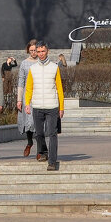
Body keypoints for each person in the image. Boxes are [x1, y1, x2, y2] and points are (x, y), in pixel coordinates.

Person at [24, 41, 65, 171]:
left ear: (47, 51)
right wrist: (27, 103)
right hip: (37, 106)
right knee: (39, 133)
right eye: (38, 51)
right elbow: (29, 87)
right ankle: (43, 152)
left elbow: (59, 88)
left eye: (43, 51)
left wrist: (61, 107)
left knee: (52, 133)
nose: (41, 54)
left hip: (52, 105)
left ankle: (52, 161)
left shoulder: (54, 67)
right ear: (36, 52)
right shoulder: (33, 68)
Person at [16, 39, 38, 157]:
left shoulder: (41, 61)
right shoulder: (24, 63)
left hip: (39, 94)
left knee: (38, 121)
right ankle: (29, 142)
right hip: (27, 95)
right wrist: (19, 99)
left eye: (35, 50)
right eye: (31, 51)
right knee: (28, 120)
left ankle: (40, 148)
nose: (33, 53)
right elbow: (21, 80)